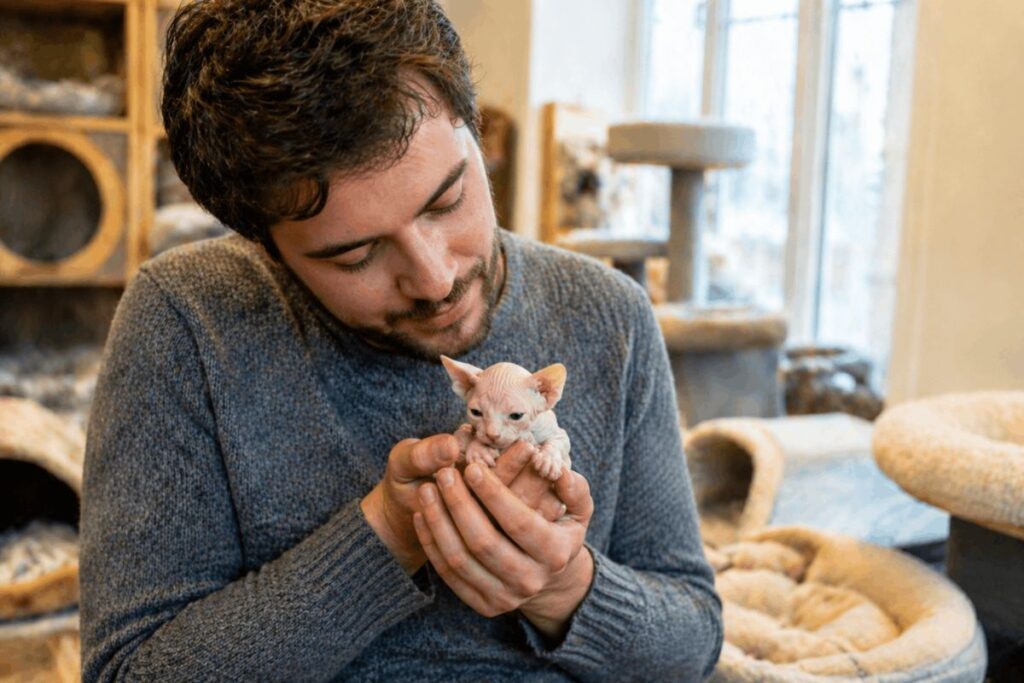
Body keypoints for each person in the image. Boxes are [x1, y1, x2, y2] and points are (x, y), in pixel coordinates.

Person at [78, 1, 723, 680]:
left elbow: (692, 639)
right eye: (355, 255)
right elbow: (131, 671)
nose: (435, 278)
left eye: (447, 200)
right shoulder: (186, 319)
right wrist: (386, 533)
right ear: (266, 246)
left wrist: (562, 587)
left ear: (475, 132)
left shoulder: (608, 313)